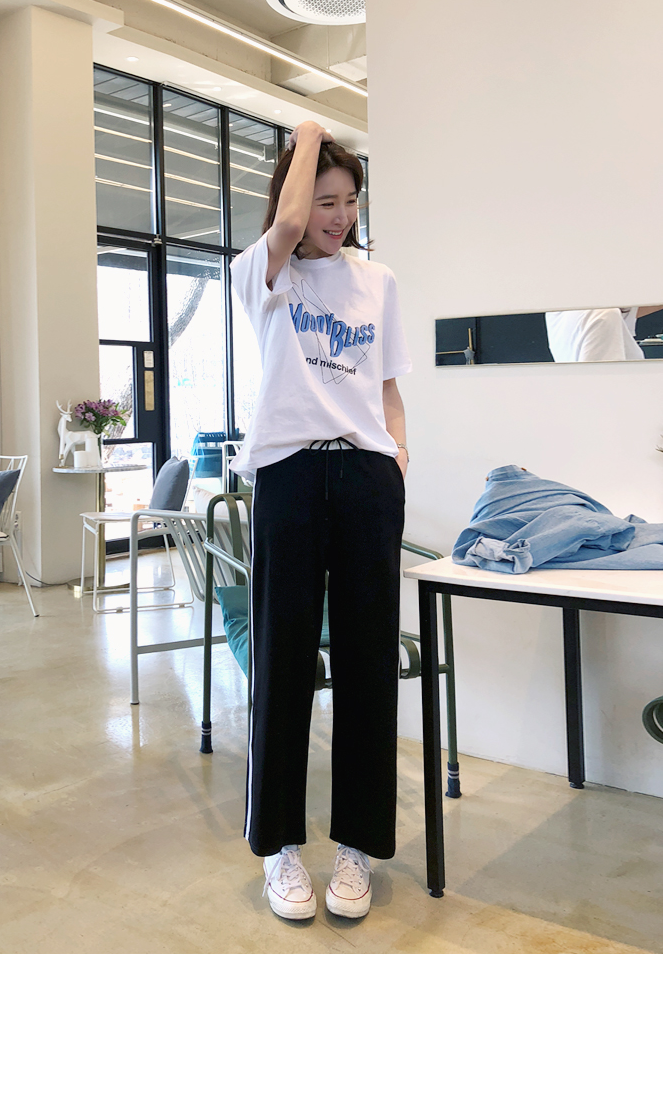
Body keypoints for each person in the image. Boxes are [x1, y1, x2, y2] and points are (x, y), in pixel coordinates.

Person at [229, 120, 411, 922]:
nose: (337, 217)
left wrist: (397, 455)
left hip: (366, 477)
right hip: (290, 476)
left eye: (350, 201)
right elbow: (290, 225)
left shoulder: (378, 282)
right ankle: (279, 848)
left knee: (369, 663)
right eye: (324, 200)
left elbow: (388, 385)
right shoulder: (262, 273)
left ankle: (355, 847)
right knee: (283, 659)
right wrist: (306, 133)